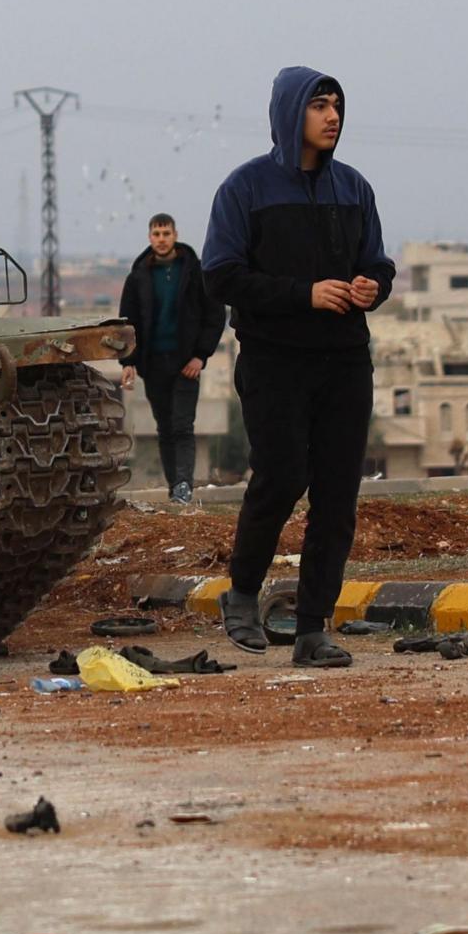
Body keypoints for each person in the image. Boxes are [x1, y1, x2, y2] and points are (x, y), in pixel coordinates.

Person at [201, 67, 391, 665]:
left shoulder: (354, 188)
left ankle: (313, 628)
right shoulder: (246, 189)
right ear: (290, 114)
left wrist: (370, 287)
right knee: (281, 478)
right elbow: (221, 275)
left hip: (343, 361)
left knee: (337, 494)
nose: (332, 117)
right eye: (319, 106)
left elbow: (379, 264)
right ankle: (242, 594)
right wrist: (303, 295)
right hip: (273, 360)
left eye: (337, 106)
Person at [114, 213, 222, 504]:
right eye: (156, 234)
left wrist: (201, 356)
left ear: (175, 235)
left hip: (186, 363)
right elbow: (127, 322)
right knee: (165, 427)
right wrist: (128, 363)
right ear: (150, 237)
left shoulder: (195, 272)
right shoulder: (138, 276)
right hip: (154, 364)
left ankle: (185, 485)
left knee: (182, 426)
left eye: (166, 233)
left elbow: (214, 316)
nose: (161, 239)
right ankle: (176, 487)